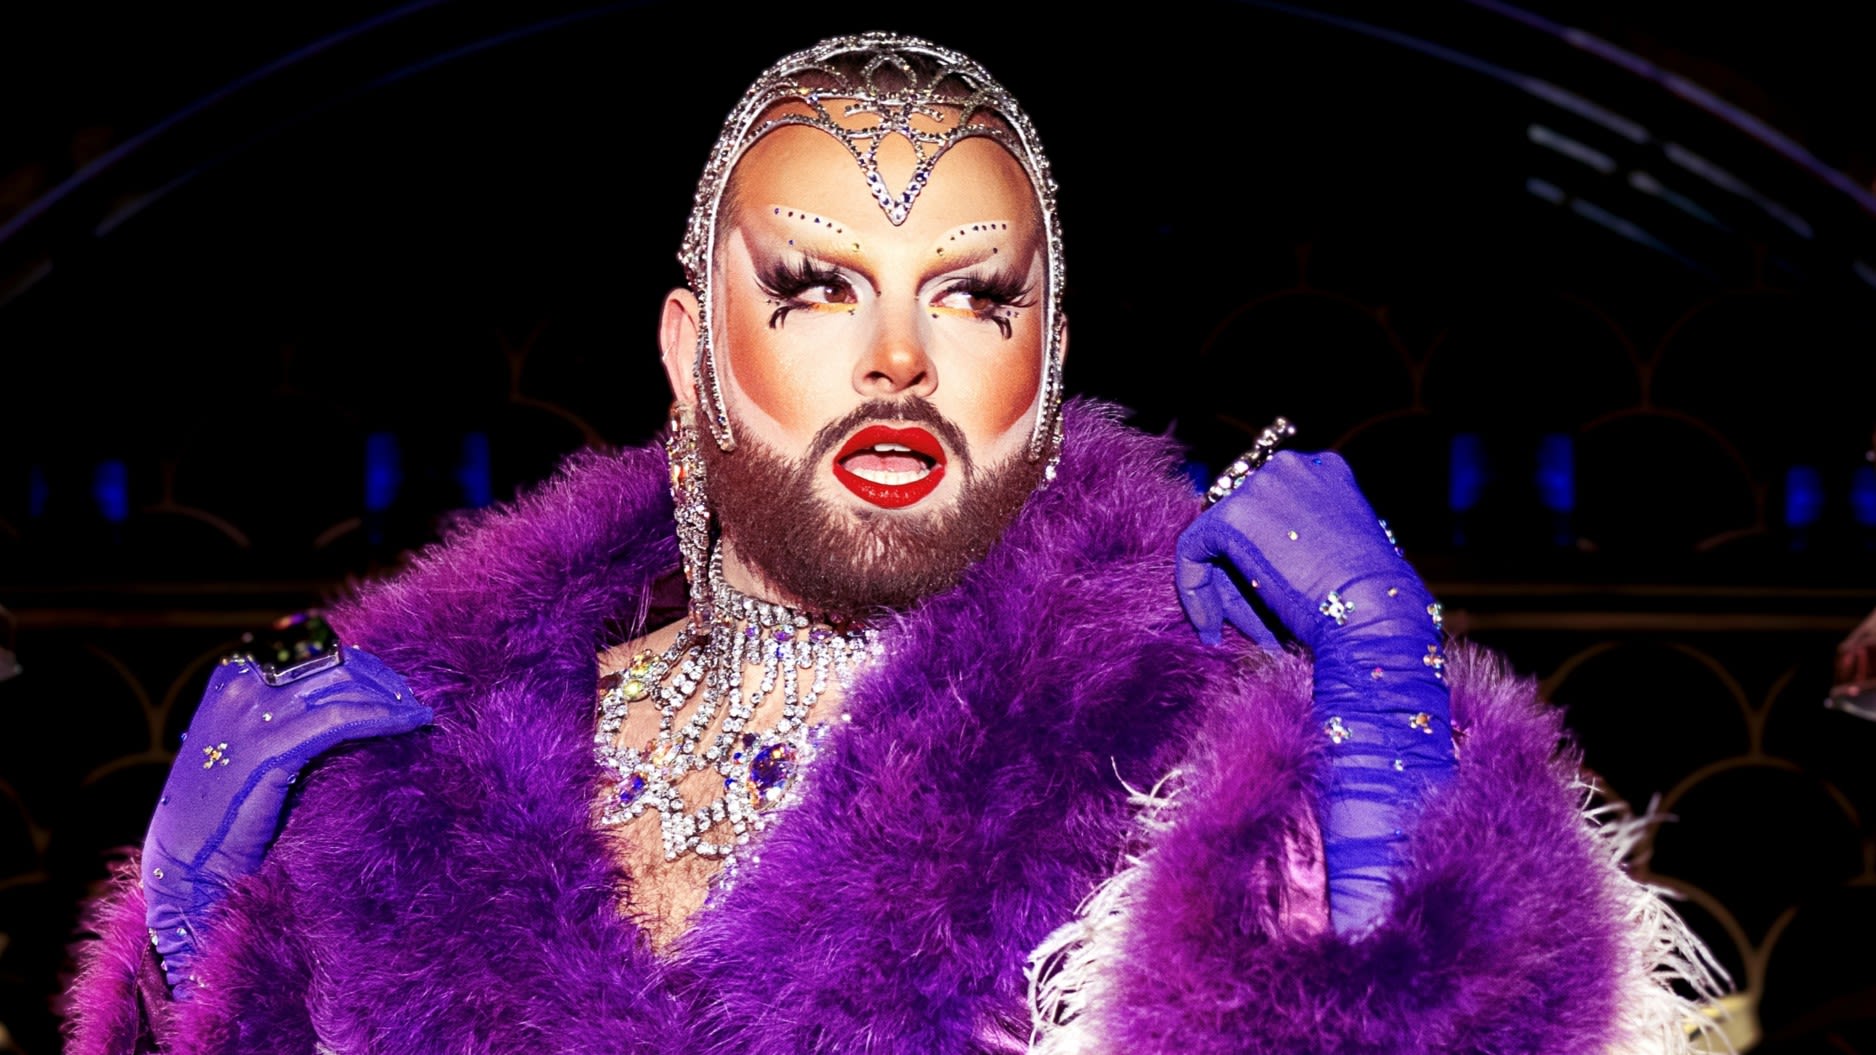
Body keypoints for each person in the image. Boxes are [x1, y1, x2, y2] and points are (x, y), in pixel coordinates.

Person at [64, 33, 1719, 1054]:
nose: (901, 359)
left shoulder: (1178, 743)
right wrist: (190, 952)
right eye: (815, 287)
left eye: (975, 297)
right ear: (690, 356)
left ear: (1045, 372)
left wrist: (1385, 746)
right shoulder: (406, 769)